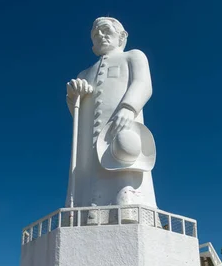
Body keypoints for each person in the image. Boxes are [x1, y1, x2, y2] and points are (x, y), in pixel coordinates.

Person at [65, 17, 158, 216]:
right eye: (95, 34)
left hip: (122, 128)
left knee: (125, 170)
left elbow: (143, 84)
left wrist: (128, 107)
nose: (100, 36)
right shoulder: (85, 73)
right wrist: (74, 96)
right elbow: (77, 114)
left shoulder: (133, 56)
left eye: (106, 30)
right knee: (89, 178)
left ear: (122, 36)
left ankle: (128, 210)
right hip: (89, 142)